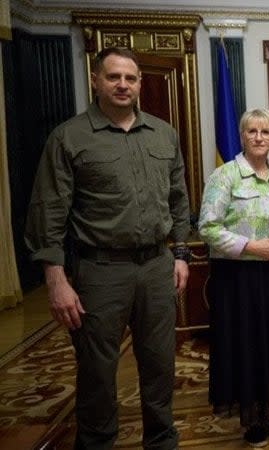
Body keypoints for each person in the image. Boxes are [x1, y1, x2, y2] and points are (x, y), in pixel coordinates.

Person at [24, 47, 190, 449]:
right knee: (98, 372)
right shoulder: (69, 137)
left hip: (156, 266)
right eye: (113, 76)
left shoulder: (163, 133)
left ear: (139, 84)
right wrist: (56, 279)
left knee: (160, 365)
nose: (122, 85)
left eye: (130, 78)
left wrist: (181, 253)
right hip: (99, 271)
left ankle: (161, 441)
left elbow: (178, 198)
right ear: (95, 80)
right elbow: (48, 210)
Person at [198, 108, 269, 448]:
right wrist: (250, 245)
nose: (259, 137)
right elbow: (207, 228)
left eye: (265, 132)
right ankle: (250, 417)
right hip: (235, 276)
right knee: (244, 341)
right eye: (252, 131)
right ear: (242, 136)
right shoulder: (224, 176)